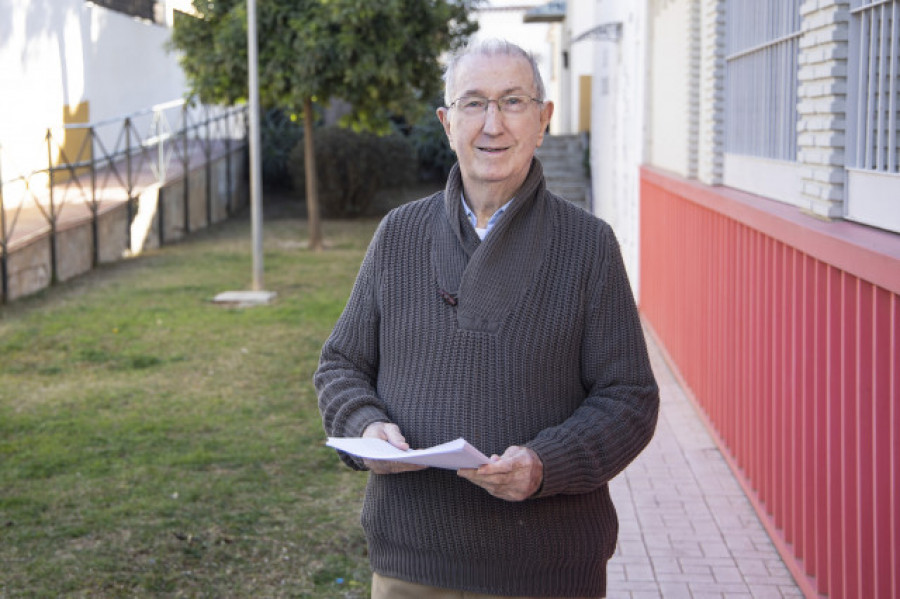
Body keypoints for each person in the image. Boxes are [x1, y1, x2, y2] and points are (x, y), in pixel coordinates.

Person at [315, 39, 659, 599]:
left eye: (513, 101)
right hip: (410, 565)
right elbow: (341, 364)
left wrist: (546, 464)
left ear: (543, 119)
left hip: (546, 569)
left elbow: (630, 398)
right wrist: (363, 428)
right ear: (447, 123)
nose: (492, 124)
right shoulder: (399, 234)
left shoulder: (588, 245)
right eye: (473, 103)